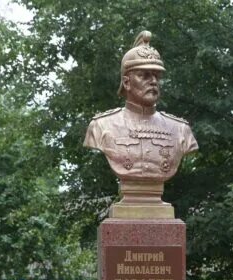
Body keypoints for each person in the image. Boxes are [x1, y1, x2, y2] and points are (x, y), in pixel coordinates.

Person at [83, 31, 198, 186]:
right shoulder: (101, 126)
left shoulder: (180, 129)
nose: (153, 81)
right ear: (126, 83)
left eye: (157, 76)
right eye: (144, 75)